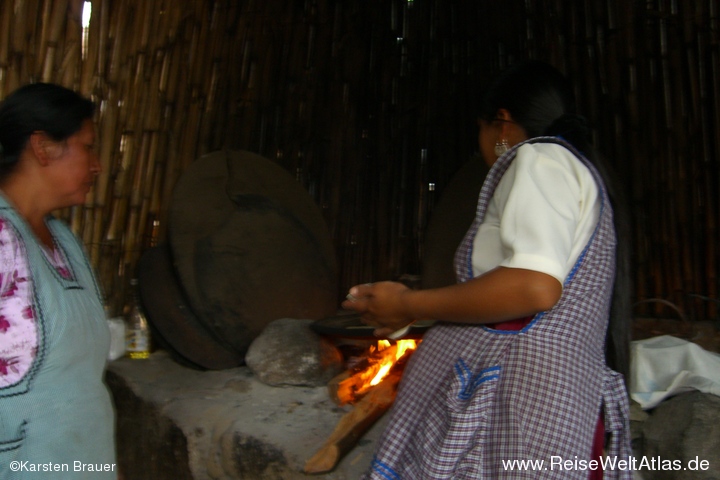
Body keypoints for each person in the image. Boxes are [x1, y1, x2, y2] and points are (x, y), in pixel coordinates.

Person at [343, 60, 633, 480]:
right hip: (543, 409)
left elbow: (534, 287)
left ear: (501, 123)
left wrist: (408, 304)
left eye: (480, 130)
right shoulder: (575, 172)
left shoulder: (539, 159)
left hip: (523, 413)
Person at [0, 83, 117, 478]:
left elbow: (81, 389)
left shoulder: (64, 240)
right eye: (88, 146)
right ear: (43, 147)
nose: (97, 165)